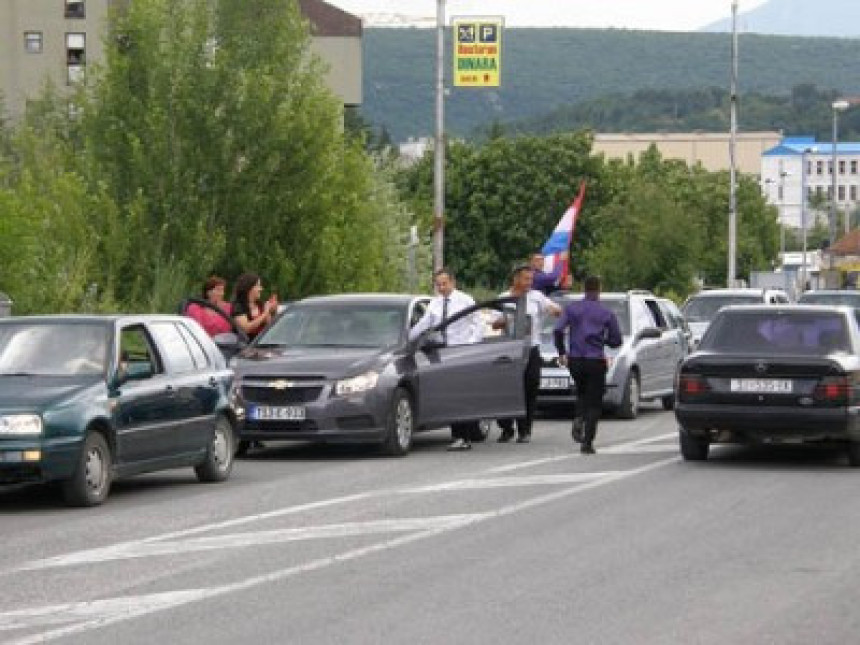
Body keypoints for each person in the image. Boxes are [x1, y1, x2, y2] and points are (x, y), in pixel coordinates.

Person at [409, 268, 483, 451]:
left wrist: (471, 343)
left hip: (461, 352)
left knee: (462, 395)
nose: (441, 288)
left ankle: (464, 435)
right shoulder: (435, 304)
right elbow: (424, 323)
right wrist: (408, 338)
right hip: (442, 354)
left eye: (444, 284)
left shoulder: (465, 300)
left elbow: (478, 322)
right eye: (438, 285)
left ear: (452, 282)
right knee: (451, 396)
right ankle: (459, 435)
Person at [553, 275, 622, 455]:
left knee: (582, 392)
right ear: (599, 289)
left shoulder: (572, 309)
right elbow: (617, 340)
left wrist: (562, 352)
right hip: (595, 360)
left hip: (575, 360)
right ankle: (587, 442)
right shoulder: (606, 313)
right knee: (594, 402)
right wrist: (603, 340)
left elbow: (557, 330)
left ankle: (578, 417)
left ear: (584, 289)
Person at [495, 264, 561, 444]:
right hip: (508, 351)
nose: (529, 283)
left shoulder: (537, 297)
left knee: (529, 389)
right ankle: (506, 427)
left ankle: (525, 430)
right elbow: (493, 323)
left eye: (531, 279)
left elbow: (554, 309)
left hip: (531, 349)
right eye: (526, 279)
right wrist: (506, 319)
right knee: (506, 390)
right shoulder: (503, 298)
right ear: (515, 279)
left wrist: (555, 311)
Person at [232, 272, 278, 341]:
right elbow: (246, 328)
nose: (261, 289)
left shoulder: (260, 305)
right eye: (258, 286)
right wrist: (265, 313)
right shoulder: (238, 306)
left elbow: (270, 328)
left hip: (263, 345)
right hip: (245, 346)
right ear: (249, 288)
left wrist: (273, 311)